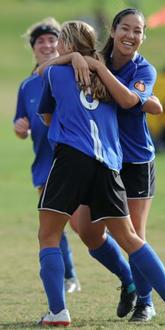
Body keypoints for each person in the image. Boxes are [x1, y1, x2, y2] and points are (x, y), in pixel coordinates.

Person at [37, 19, 165, 327]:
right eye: (125, 28)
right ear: (108, 34)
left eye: (137, 30)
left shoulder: (58, 72)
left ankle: (58, 312)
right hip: (110, 164)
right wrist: (83, 59)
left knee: (49, 235)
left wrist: (72, 62)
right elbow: (140, 102)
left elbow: (46, 111)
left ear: (65, 45)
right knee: (119, 236)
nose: (130, 35)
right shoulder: (103, 74)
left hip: (96, 160)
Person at [13, 17, 81, 294]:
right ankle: (69, 276)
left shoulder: (71, 74)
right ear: (33, 48)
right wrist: (20, 129)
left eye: (52, 39)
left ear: (61, 44)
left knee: (84, 226)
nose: (46, 44)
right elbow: (21, 125)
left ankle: (127, 277)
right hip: (44, 163)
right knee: (51, 224)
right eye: (40, 41)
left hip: (75, 158)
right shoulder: (27, 85)